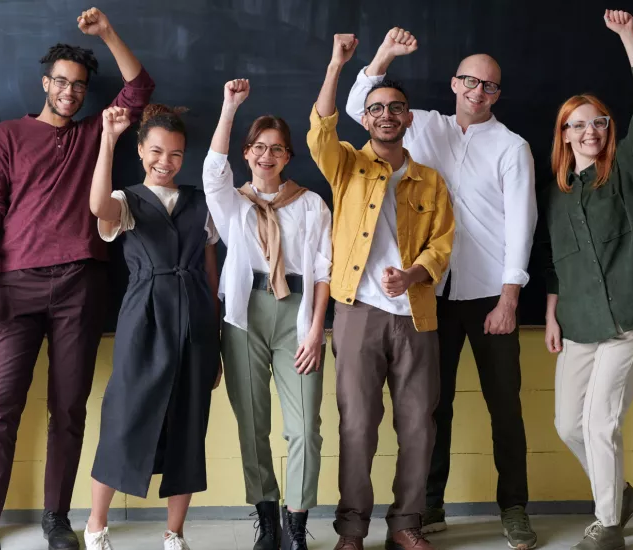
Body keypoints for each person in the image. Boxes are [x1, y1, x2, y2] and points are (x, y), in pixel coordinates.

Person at [0, 8, 155, 550]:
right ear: (45, 84)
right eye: (62, 83)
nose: (70, 92)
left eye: (79, 86)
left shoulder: (98, 131)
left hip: (80, 283)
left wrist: (107, 32)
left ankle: (55, 519)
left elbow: (140, 88)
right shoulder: (7, 135)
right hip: (12, 284)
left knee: (68, 409)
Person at [345, 27, 538, 548]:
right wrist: (382, 55)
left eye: (490, 86)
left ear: (498, 94)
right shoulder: (421, 125)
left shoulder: (512, 147)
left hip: (487, 295)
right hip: (427, 294)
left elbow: (523, 225)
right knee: (432, 406)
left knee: (505, 404)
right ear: (455, 83)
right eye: (471, 81)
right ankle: (430, 504)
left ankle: (514, 506)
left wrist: (509, 297)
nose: (478, 91)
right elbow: (357, 105)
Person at [309, 33, 454, 550]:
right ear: (365, 118)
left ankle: (407, 525)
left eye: (396, 108)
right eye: (377, 109)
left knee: (418, 425)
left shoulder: (430, 181)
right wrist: (335, 65)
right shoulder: (346, 165)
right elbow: (320, 129)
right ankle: (352, 530)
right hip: (358, 311)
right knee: (358, 426)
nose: (387, 115)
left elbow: (442, 244)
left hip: (416, 315)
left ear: (409, 117)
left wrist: (413, 274)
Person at [542, 10, 633, 550]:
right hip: (578, 325)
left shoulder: (626, 171)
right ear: (564, 136)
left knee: (601, 425)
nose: (591, 131)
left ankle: (608, 525)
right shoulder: (559, 195)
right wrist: (551, 315)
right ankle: (622, 495)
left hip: (626, 320)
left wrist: (628, 36)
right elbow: (555, 261)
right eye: (579, 124)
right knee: (569, 425)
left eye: (599, 122)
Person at [81, 104, 221, 550]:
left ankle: (174, 533)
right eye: (156, 151)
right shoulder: (127, 200)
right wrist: (107, 139)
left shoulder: (202, 202)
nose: (165, 161)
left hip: (195, 320)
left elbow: (210, 269)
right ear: (141, 150)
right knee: (124, 419)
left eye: (176, 154)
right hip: (144, 318)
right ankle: (96, 525)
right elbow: (96, 205)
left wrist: (214, 335)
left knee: (189, 425)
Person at [203, 78, 332, 550]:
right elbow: (212, 171)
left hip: (297, 314)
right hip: (244, 316)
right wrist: (229, 106)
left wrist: (317, 329)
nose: (266, 156)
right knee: (252, 424)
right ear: (247, 153)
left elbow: (323, 272)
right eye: (258, 148)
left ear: (288, 157)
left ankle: (296, 523)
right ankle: (267, 520)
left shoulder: (312, 204)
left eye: (276, 149)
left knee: (304, 428)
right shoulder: (232, 203)